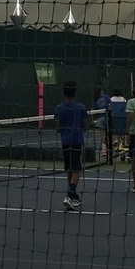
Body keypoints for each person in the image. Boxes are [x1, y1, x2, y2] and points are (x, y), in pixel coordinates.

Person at [54, 80, 90, 210]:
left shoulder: (59, 108)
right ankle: (69, 195)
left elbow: (58, 127)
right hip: (76, 141)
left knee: (70, 169)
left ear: (63, 92)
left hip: (65, 142)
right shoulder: (81, 108)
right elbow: (85, 126)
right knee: (76, 169)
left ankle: (73, 196)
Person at [109, 88, 129, 161]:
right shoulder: (124, 99)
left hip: (114, 119)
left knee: (114, 131)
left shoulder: (111, 99)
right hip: (123, 119)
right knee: (123, 134)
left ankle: (116, 141)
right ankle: (123, 144)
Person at [94, 86, 112, 160]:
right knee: (108, 133)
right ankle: (107, 149)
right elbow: (110, 105)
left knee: (102, 134)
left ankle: (104, 150)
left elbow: (94, 109)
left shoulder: (96, 98)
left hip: (101, 118)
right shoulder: (106, 97)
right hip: (107, 117)